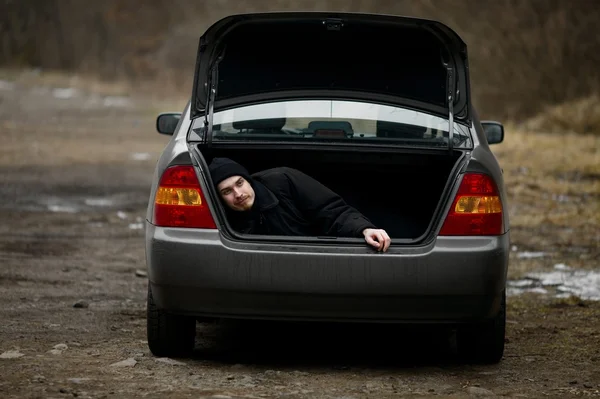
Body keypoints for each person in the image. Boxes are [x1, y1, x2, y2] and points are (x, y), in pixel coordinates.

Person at [208, 157, 391, 252]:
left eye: (240, 183)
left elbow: (331, 210)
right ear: (220, 198)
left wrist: (365, 229)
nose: (238, 194)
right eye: (227, 191)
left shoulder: (282, 181)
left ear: (248, 180)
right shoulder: (221, 217)